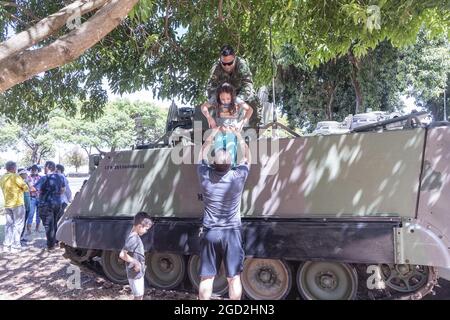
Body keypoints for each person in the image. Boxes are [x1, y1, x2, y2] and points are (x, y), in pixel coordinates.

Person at [196, 128, 251, 300]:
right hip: (232, 233)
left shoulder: (204, 176)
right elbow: (248, 158)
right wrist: (239, 136)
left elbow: (201, 154)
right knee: (233, 278)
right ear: (230, 164)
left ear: (213, 164)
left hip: (210, 232)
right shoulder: (237, 177)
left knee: (207, 277)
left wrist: (212, 134)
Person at [202, 44, 260, 129]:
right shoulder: (216, 68)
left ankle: (254, 131)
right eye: (224, 63)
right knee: (214, 109)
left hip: (240, 92)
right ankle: (217, 129)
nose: (227, 66)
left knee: (253, 100)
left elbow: (248, 84)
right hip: (223, 93)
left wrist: (237, 100)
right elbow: (211, 87)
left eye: (230, 63)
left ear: (235, 58)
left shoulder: (241, 64)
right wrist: (218, 101)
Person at [202, 83, 253, 167]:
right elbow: (203, 107)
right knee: (219, 159)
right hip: (219, 133)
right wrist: (209, 118)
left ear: (232, 97)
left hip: (231, 134)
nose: (225, 101)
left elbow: (250, 110)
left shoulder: (237, 100)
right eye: (223, 99)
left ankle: (231, 175)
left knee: (230, 159)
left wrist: (242, 122)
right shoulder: (215, 99)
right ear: (219, 97)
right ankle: (219, 175)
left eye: (228, 99)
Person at [119, 212, 154, 300]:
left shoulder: (133, 234)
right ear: (139, 226)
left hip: (136, 273)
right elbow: (122, 254)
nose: (146, 231)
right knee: (138, 297)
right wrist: (136, 262)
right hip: (135, 274)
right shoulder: (133, 238)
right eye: (146, 229)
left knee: (139, 296)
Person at [35, 161, 65, 251]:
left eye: (45, 167)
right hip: (57, 202)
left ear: (48, 167)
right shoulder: (60, 177)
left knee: (48, 225)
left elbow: (34, 188)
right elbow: (63, 189)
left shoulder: (44, 178)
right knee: (55, 223)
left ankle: (50, 246)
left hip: (46, 204)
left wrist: (28, 183)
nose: (44, 168)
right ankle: (56, 242)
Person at [0, 161, 29, 253]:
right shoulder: (15, 176)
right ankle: (15, 246)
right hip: (17, 204)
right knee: (18, 225)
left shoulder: (3, 177)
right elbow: (26, 188)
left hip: (7, 204)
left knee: (8, 225)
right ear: (13, 168)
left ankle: (6, 245)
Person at [17, 169, 31, 246]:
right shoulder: (19, 183)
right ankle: (18, 239)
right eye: (25, 173)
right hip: (22, 205)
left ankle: (21, 237)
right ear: (21, 174)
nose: (26, 175)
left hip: (27, 205)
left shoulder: (25, 182)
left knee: (24, 222)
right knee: (20, 223)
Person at [26, 164, 41, 233]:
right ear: (31, 170)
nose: (34, 171)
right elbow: (31, 188)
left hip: (40, 198)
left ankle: (37, 228)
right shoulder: (28, 178)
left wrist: (34, 188)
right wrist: (38, 188)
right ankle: (29, 229)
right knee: (31, 213)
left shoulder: (41, 177)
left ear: (38, 170)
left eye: (35, 169)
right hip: (32, 198)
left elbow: (41, 188)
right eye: (33, 169)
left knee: (39, 214)